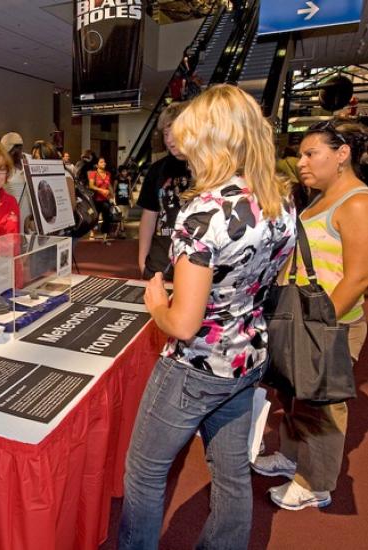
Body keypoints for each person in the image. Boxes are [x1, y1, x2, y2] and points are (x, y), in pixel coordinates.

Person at [119, 85, 296, 550]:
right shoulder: (280, 199)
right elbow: (266, 280)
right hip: (247, 356)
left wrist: (157, 300)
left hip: (195, 366)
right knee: (233, 473)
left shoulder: (203, 212)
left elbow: (182, 324)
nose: (187, 151)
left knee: (144, 473)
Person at [252, 120, 368, 511]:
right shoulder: (319, 198)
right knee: (295, 392)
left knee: (321, 403)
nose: (301, 162)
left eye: (310, 153)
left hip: (332, 323)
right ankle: (290, 456)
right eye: (300, 154)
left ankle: (316, 481)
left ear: (342, 154)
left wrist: (320, 324)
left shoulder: (357, 202)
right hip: (302, 317)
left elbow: (358, 277)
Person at [137, 101, 192, 280]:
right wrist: (142, 261)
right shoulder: (157, 169)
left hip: (196, 265)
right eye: (166, 134)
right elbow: (149, 214)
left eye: (174, 132)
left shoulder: (207, 170)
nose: (168, 140)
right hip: (159, 264)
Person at [0, 131, 31, 232]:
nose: (8, 155)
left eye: (12, 151)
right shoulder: (3, 166)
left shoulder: (30, 161)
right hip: (12, 209)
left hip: (30, 207)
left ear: (19, 148)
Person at [88, 156, 117, 238]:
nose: (104, 163)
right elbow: (91, 186)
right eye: (101, 162)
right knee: (94, 217)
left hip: (105, 199)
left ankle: (105, 233)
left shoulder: (108, 173)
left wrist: (113, 195)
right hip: (95, 199)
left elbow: (109, 186)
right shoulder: (93, 173)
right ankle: (92, 231)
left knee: (107, 216)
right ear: (97, 165)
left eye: (104, 162)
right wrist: (101, 190)